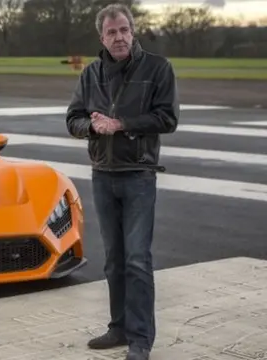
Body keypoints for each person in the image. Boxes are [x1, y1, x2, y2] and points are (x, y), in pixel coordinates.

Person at [65, 3, 179, 360]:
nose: (119, 37)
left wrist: (121, 124)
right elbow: (73, 119)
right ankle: (119, 329)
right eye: (112, 32)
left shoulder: (158, 68)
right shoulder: (91, 74)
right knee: (114, 260)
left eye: (124, 30)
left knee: (137, 261)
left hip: (139, 175)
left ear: (133, 31)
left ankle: (141, 340)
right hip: (103, 175)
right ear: (102, 37)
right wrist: (92, 127)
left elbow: (167, 118)